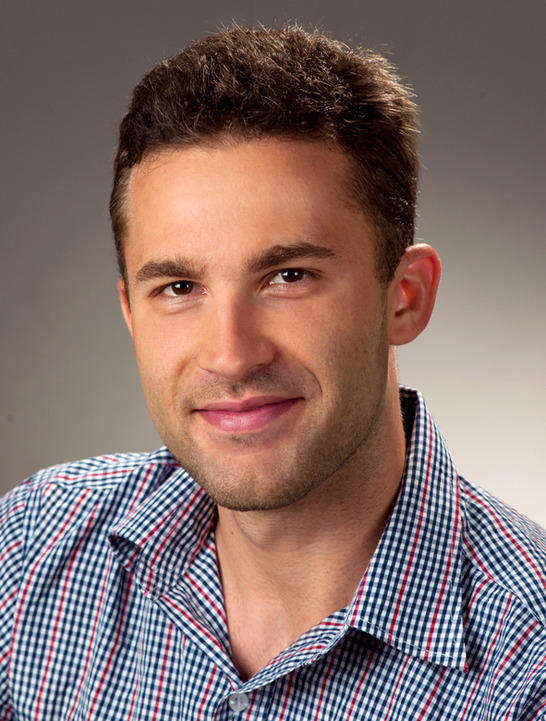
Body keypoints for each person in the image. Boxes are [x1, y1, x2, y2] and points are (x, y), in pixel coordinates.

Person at [1, 25, 544, 721]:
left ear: (404, 297)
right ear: (131, 313)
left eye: (289, 276)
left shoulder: (529, 657)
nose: (231, 355)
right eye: (178, 288)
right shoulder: (33, 548)